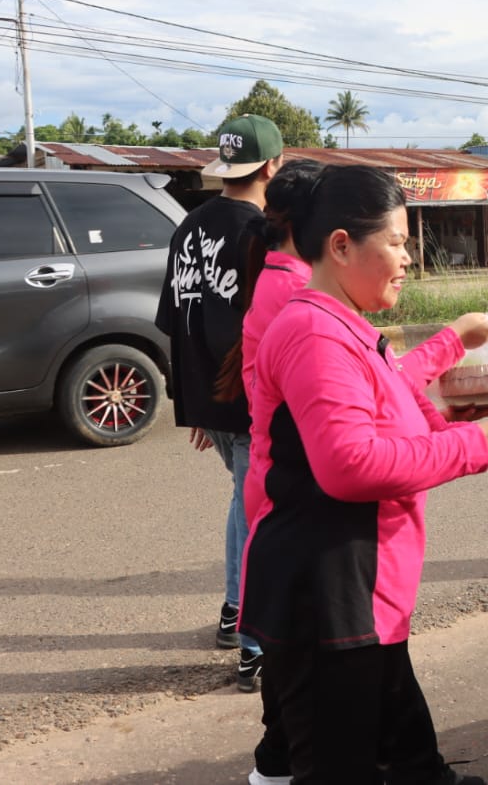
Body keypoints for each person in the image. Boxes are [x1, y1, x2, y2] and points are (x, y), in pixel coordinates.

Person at [237, 165, 488, 784]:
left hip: (364, 591)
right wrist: (476, 445)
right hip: (327, 593)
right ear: (341, 246)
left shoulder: (348, 326)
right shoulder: (314, 332)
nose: (409, 258)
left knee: (410, 756)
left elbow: (413, 428)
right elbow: (349, 465)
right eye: (397, 242)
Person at [154, 113, 284, 693]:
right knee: (260, 511)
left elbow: (175, 320)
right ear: (272, 166)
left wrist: (197, 403)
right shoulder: (261, 231)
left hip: (210, 396)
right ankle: (254, 645)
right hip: (251, 396)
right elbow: (268, 324)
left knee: (243, 500)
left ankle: (235, 611)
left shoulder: (188, 226)